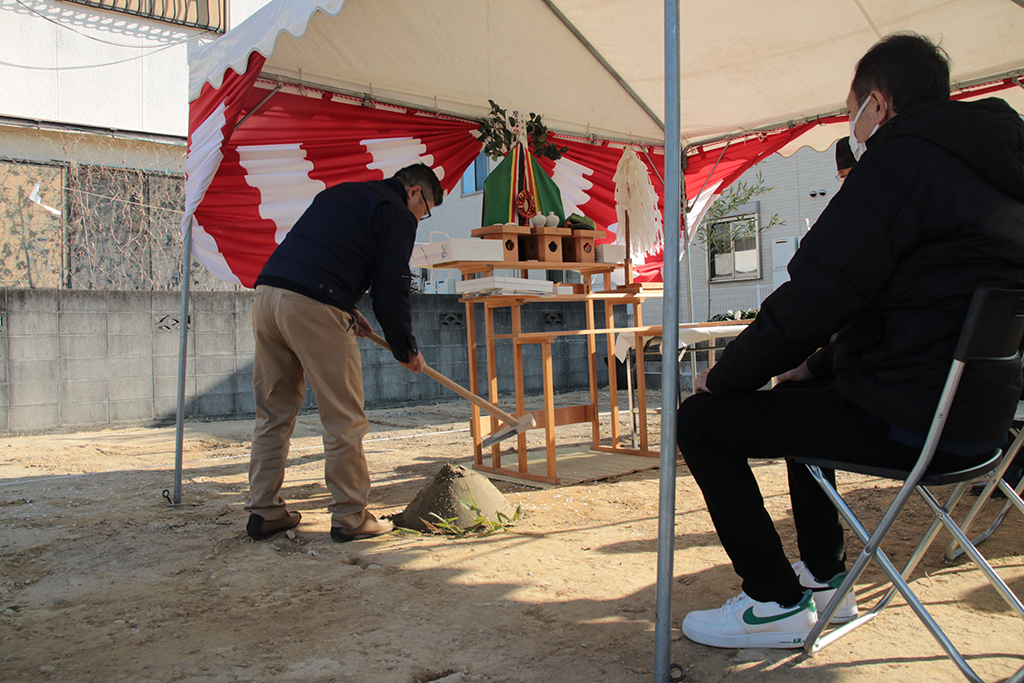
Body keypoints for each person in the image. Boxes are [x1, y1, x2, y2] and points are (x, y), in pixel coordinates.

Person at [676, 32, 1024, 650]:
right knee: (805, 392)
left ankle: (775, 602)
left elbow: (818, 293)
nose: (851, 122)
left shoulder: (899, 161)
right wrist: (817, 363)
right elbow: (923, 310)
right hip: (983, 427)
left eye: (852, 108)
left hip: (909, 423)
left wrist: (726, 376)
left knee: (701, 421)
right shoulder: (1001, 169)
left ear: (880, 104)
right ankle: (827, 577)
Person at [244, 163, 442, 543]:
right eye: (426, 209)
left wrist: (345, 305)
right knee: (344, 418)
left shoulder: (343, 193)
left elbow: (324, 252)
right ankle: (351, 517)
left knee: (273, 412)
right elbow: (392, 284)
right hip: (311, 303)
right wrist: (405, 348)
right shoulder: (398, 211)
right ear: (415, 192)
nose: (421, 217)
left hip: (268, 295)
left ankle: (264, 510)